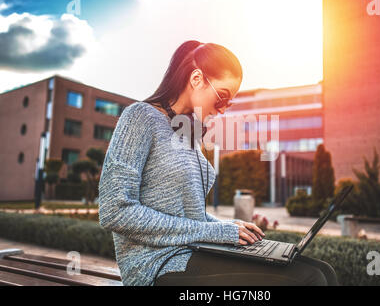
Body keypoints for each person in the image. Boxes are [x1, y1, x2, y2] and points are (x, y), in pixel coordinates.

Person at [98, 40, 338, 286]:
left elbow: (191, 217)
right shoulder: (139, 117)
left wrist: (229, 227)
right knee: (309, 279)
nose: (223, 109)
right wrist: (220, 232)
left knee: (323, 271)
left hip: (192, 252)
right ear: (196, 79)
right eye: (221, 96)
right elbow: (114, 211)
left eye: (229, 102)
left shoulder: (186, 134)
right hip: (154, 266)